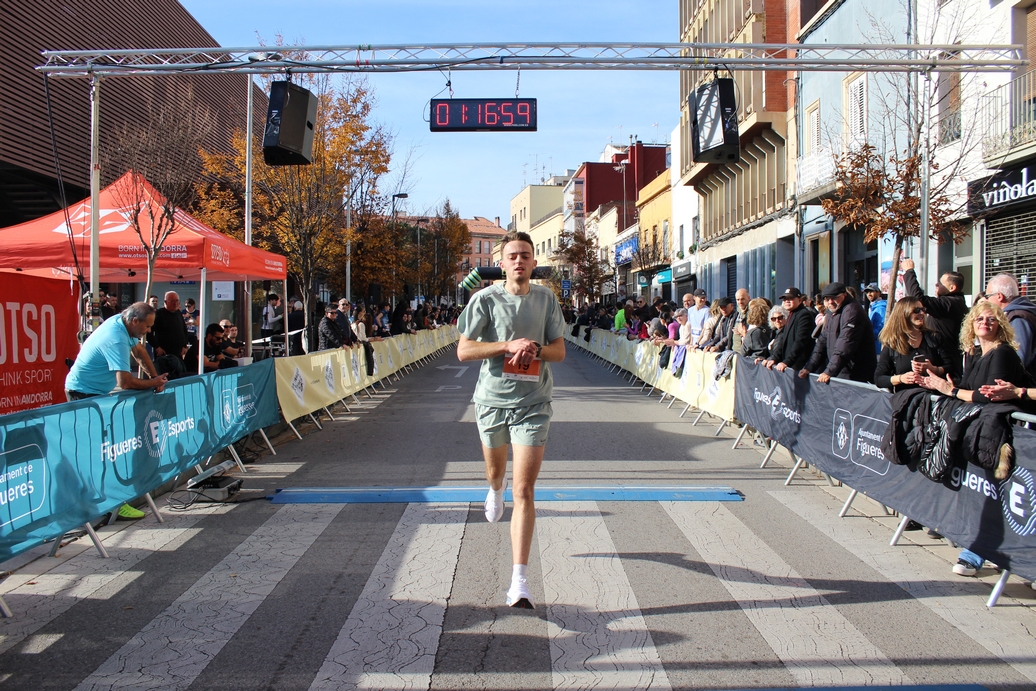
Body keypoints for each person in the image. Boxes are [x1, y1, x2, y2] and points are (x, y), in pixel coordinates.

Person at [456, 230, 566, 609]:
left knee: (525, 491)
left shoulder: (546, 299)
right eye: (513, 256)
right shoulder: (485, 299)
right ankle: (494, 486)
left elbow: (559, 351)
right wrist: (507, 345)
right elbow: (464, 350)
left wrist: (535, 348)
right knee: (496, 473)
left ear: (534, 262)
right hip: (492, 401)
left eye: (525, 255)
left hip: (534, 402)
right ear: (501, 264)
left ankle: (519, 581)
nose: (519, 260)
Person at [920, 301, 1034, 577]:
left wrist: (950, 390)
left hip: (1002, 437)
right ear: (971, 324)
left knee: (993, 497)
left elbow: (987, 395)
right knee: (980, 495)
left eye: (992, 319)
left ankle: (979, 553)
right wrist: (945, 381)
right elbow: (969, 388)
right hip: (979, 435)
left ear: (1001, 325)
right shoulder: (977, 353)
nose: (985, 322)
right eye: (979, 318)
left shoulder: (1002, 353)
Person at [65, 302, 169, 521]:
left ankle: (109, 502)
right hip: (82, 394)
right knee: (96, 452)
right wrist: (153, 383)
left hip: (95, 393)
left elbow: (139, 351)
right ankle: (100, 506)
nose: (148, 331)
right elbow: (125, 382)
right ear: (135, 321)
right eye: (147, 326)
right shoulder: (116, 337)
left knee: (103, 450)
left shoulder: (123, 324)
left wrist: (154, 376)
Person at [874, 297, 956, 392]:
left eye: (923, 309)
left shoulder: (934, 338)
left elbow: (952, 368)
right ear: (903, 314)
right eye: (916, 310)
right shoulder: (892, 344)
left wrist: (934, 369)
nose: (922, 313)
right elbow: (878, 379)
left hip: (934, 397)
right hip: (906, 398)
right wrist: (901, 378)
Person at [800, 281, 876, 383]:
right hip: (840, 370)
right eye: (827, 299)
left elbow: (846, 342)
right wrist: (809, 367)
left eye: (834, 298)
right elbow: (822, 341)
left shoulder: (852, 311)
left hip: (855, 373)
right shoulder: (831, 313)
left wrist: (829, 371)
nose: (831, 302)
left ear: (844, 295)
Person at [900, 256, 968, 355]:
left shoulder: (949, 304)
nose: (937, 284)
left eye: (941, 283)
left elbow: (918, 298)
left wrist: (909, 271)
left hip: (945, 358)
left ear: (952, 288)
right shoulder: (954, 302)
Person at [985, 273, 1036, 380]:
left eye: (988, 296)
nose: (987, 300)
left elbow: (1020, 358)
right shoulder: (1018, 313)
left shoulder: (1017, 318)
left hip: (1020, 384)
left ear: (999, 296)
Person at [763, 287, 815, 372]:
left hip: (799, 368)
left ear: (799, 300)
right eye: (784, 299)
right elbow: (783, 340)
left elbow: (800, 342)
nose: (786, 301)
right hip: (791, 367)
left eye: (790, 298)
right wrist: (774, 358)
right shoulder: (791, 314)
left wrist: (787, 362)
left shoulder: (804, 315)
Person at [147, 291, 189, 379]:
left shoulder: (178, 313)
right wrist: (157, 347)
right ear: (165, 302)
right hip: (164, 355)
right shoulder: (158, 314)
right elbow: (149, 332)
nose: (175, 303)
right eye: (172, 301)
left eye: (177, 301)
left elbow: (184, 330)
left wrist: (185, 345)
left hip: (178, 353)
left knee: (178, 376)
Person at [863, 282, 886, 354]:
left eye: (871, 291)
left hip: (879, 347)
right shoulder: (873, 307)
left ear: (878, 293)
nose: (869, 294)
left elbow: (881, 327)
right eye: (867, 292)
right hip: (874, 346)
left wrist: (868, 335)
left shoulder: (881, 308)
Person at [731, 288, 751, 352]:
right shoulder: (737, 312)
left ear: (749, 298)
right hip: (735, 349)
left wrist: (741, 333)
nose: (740, 302)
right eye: (738, 300)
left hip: (745, 352)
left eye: (742, 299)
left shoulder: (752, 313)